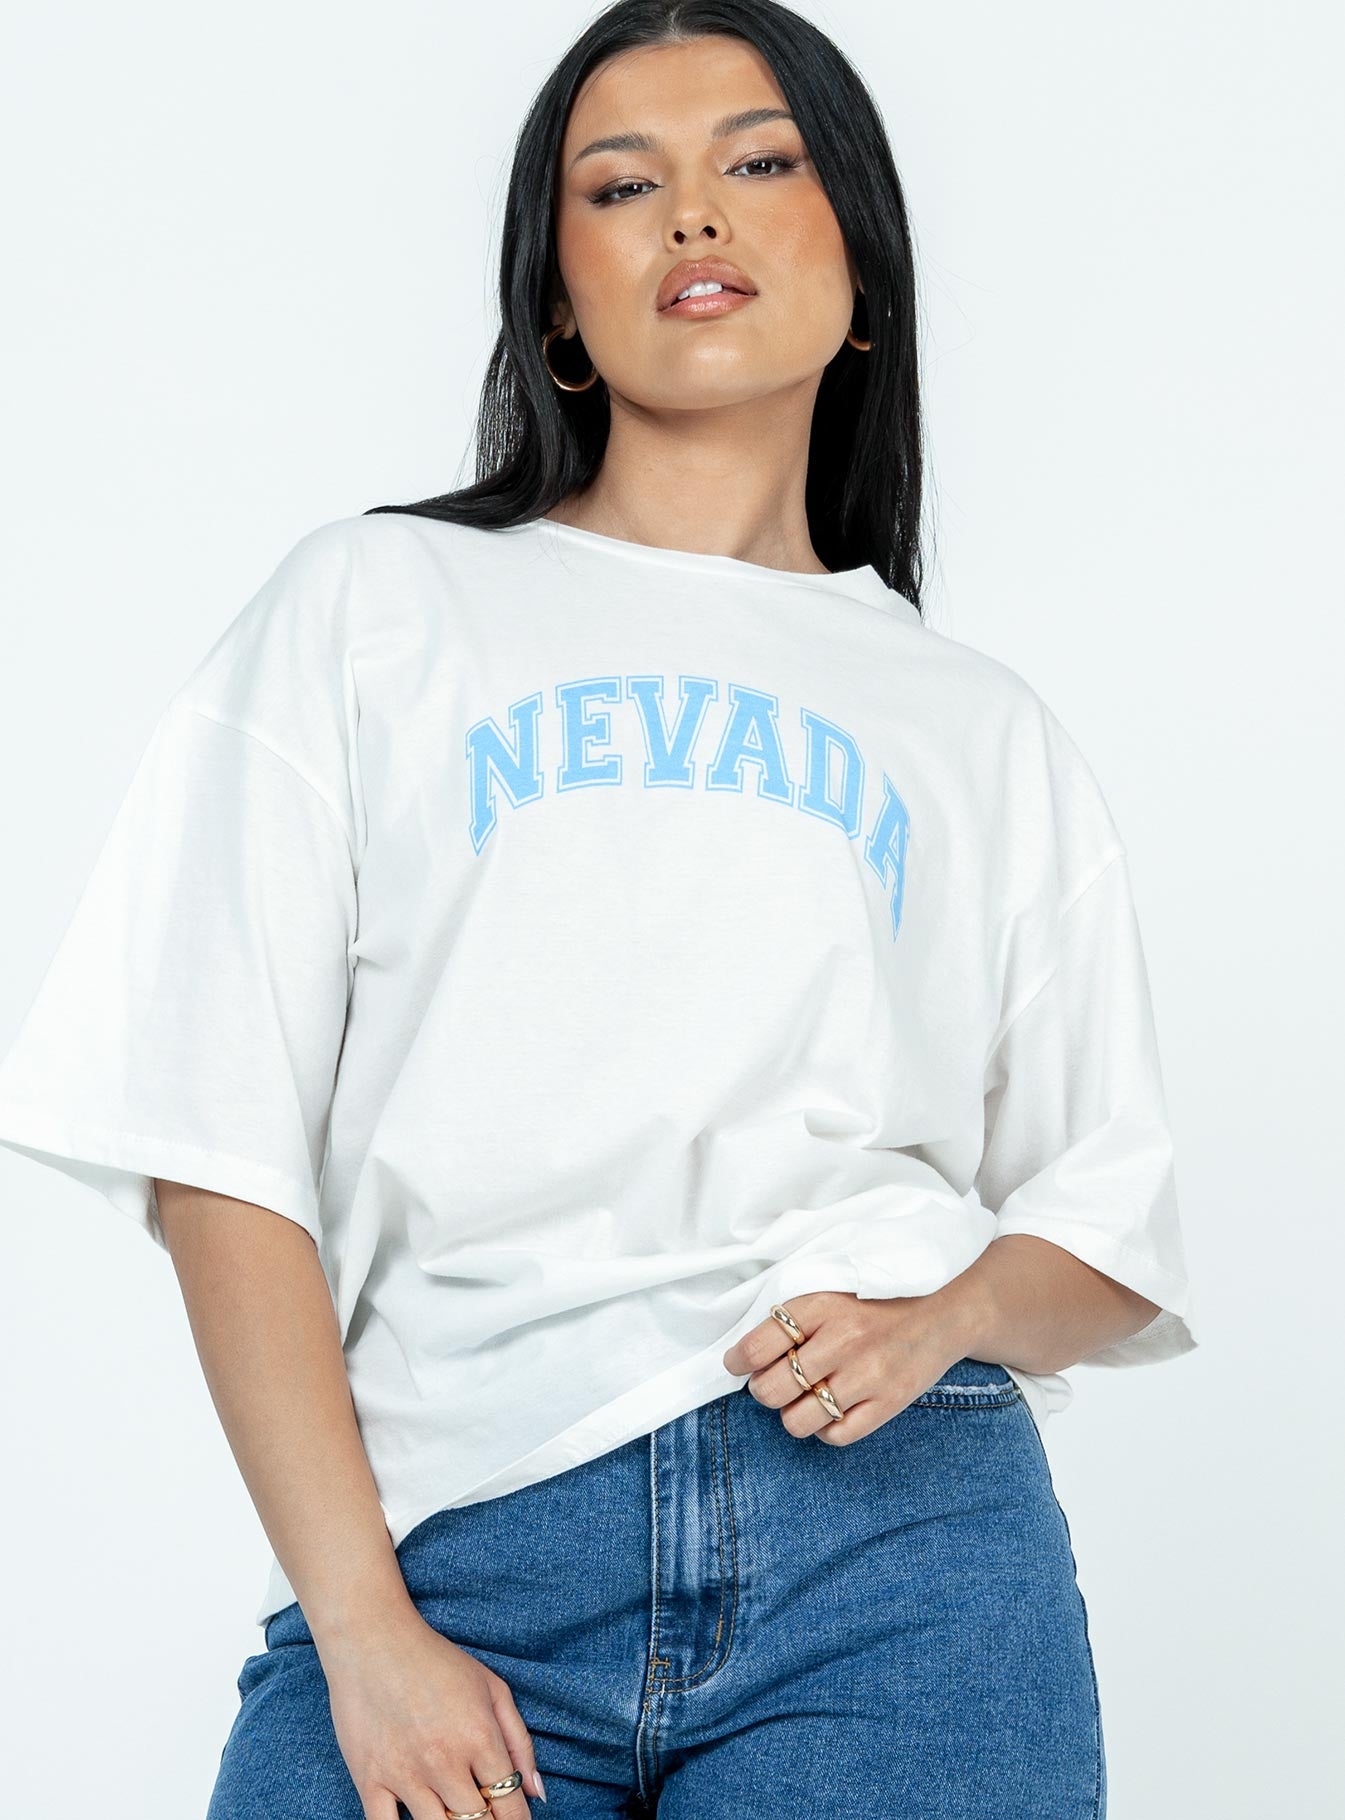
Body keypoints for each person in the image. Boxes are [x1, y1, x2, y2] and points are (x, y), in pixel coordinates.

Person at [0, 3, 1200, 1816]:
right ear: (557, 305)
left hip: (897, 1554)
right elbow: (212, 1151)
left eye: (760, 162)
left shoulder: (977, 728)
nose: (693, 215)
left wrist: (940, 1316)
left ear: (862, 276)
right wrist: (361, 1630)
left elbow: (1107, 1228)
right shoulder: (373, 610)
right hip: (455, 1550)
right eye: (621, 186)